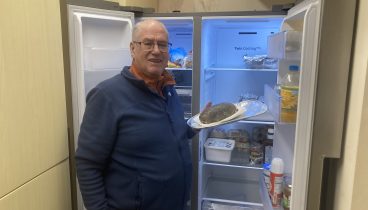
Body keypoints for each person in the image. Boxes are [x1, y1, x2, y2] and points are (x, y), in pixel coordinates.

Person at [75, 19, 200, 210]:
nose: (156, 50)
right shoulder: (107, 95)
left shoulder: (167, 86)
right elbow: (87, 164)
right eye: (148, 43)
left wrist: (198, 123)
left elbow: (168, 132)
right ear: (133, 49)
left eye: (163, 44)